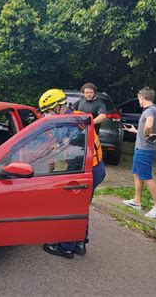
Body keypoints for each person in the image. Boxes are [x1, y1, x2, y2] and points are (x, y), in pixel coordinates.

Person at [38, 89, 106, 259]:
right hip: (94, 168)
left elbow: (67, 152)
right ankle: (79, 242)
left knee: (72, 208)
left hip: (85, 170)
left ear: (57, 107)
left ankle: (66, 247)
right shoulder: (75, 117)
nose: (46, 114)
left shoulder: (72, 123)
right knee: (81, 206)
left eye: (47, 111)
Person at [123, 88, 156, 218]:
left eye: (139, 98)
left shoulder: (150, 111)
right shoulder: (153, 110)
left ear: (142, 97)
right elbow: (147, 130)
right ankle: (137, 201)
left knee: (147, 177)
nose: (139, 101)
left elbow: (149, 126)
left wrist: (145, 132)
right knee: (137, 174)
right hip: (141, 148)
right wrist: (136, 131)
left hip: (145, 149)